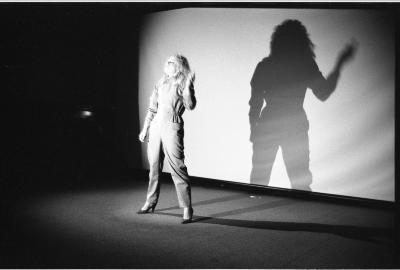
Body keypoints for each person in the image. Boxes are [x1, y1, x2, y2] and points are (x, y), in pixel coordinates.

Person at [249, 19, 357, 191]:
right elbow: (324, 92)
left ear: (276, 41)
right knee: (300, 183)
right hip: (295, 126)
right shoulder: (304, 65)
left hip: (269, 126)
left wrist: (254, 129)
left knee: (258, 183)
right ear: (301, 41)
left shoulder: (265, 66)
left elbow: (255, 103)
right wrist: (339, 64)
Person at [138, 54, 196, 224]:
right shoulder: (160, 83)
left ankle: (187, 207)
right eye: (167, 61)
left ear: (179, 66)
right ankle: (150, 202)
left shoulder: (183, 82)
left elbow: (191, 105)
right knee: (154, 167)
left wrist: (188, 88)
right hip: (156, 127)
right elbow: (152, 108)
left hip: (172, 125)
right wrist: (145, 128)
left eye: (172, 62)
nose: (168, 64)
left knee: (177, 167)